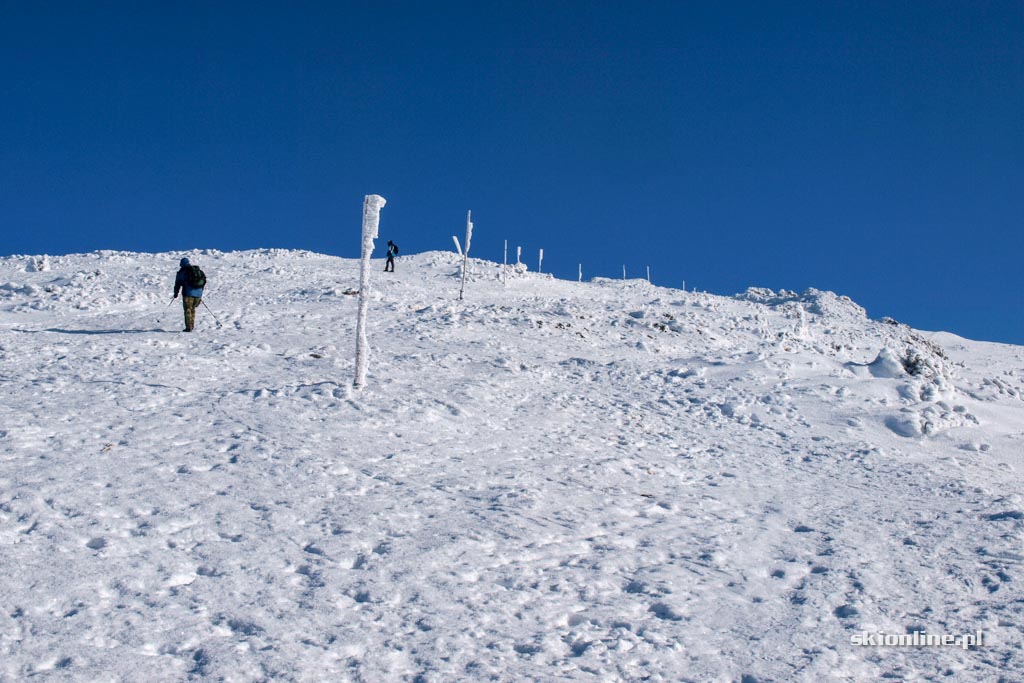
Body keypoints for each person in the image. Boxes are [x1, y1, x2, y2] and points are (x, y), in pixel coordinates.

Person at [173, 257, 205, 332]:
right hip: (198, 295)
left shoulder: (182, 272)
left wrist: (176, 293)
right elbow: (204, 281)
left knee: (188, 310)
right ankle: (192, 325)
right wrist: (200, 292)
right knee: (193, 309)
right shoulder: (198, 271)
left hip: (188, 294)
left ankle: (188, 327)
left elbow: (178, 283)